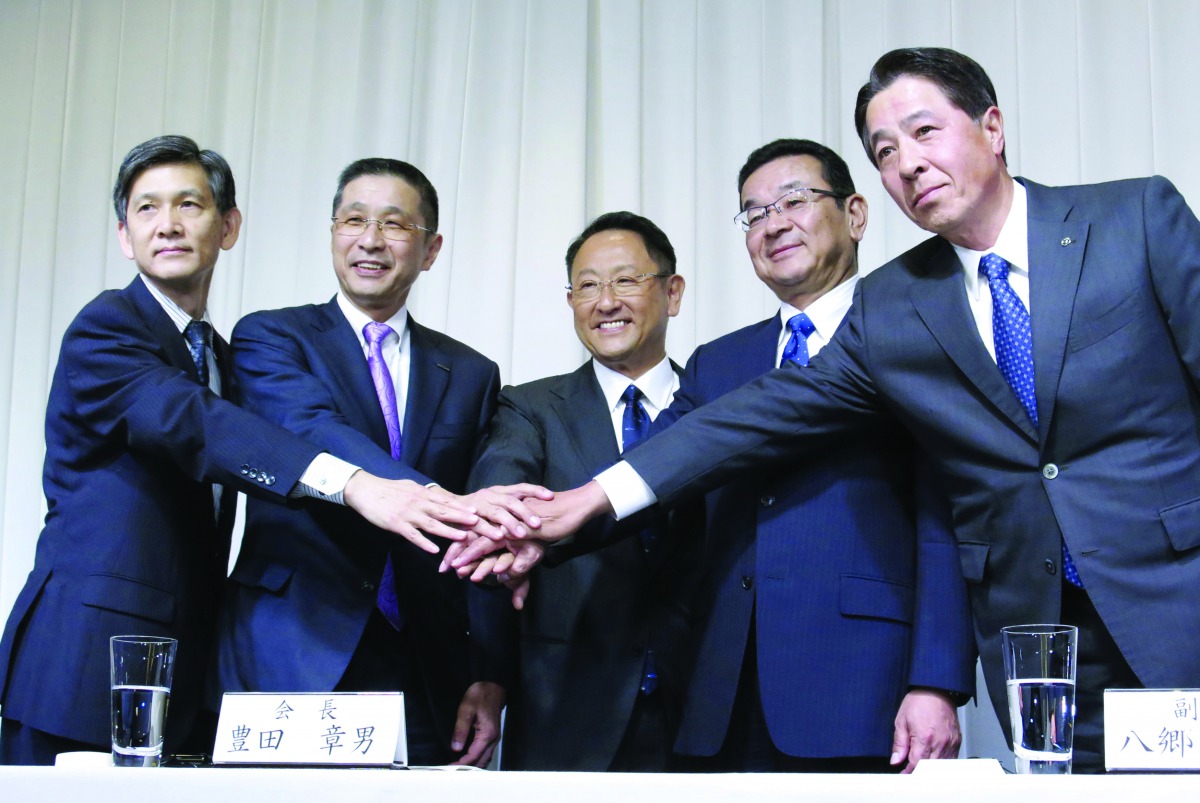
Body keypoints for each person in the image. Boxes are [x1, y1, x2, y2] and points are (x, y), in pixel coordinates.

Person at [459, 47, 1200, 774]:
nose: (906, 162)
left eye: (924, 132)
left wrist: (934, 676)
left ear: (992, 126)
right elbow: (749, 419)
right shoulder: (899, 306)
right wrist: (585, 501)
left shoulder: (1135, 216)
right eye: (884, 149)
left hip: (1178, 595)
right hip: (1042, 636)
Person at [0, 136, 493, 766]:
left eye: (189, 205)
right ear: (124, 235)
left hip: (183, 672)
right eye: (147, 209)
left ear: (228, 226)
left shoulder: (215, 355)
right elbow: (194, 423)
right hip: (87, 662)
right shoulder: (109, 328)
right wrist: (358, 484)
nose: (169, 225)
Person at [661, 139, 973, 773]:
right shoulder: (716, 363)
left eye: (794, 201)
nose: (773, 223)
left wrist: (936, 682)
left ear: (856, 215)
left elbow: (947, 516)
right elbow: (654, 478)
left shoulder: (919, 337)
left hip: (865, 692)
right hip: (721, 696)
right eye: (754, 213)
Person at [215, 158, 539, 767]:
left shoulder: (471, 373)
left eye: (394, 224)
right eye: (354, 220)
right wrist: (454, 508)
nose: (370, 239)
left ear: (431, 248)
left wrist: (490, 670)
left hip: (424, 661)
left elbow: (484, 531)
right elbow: (311, 429)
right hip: (293, 644)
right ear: (333, 231)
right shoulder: (271, 338)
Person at [467, 212, 699, 771]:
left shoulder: (717, 405)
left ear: (672, 293)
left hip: (700, 707)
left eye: (624, 280)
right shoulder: (532, 407)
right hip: (565, 708)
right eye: (588, 286)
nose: (605, 301)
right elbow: (503, 496)